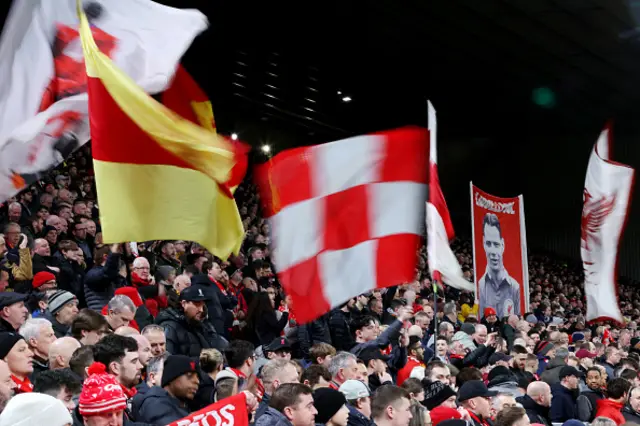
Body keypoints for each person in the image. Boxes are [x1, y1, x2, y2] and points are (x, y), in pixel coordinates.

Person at [477, 213, 522, 318]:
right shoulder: (480, 286)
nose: (492, 251)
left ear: (502, 245)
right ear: (483, 244)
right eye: (488, 244)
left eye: (496, 244)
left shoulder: (515, 287)